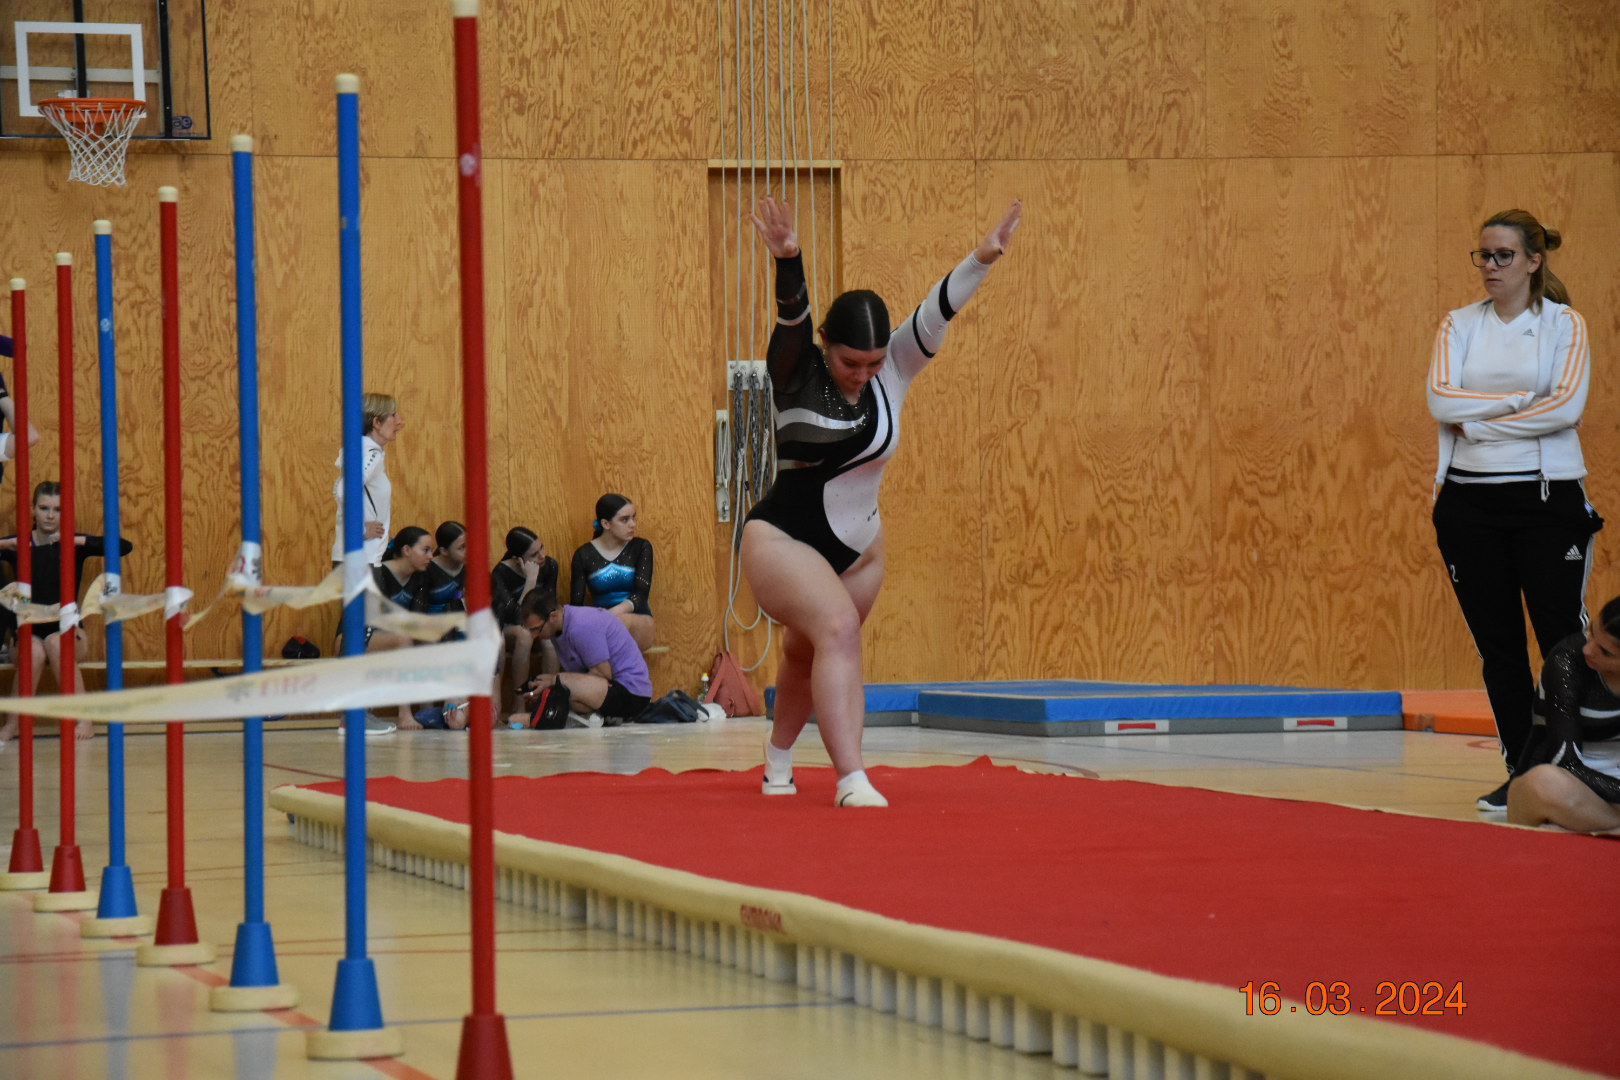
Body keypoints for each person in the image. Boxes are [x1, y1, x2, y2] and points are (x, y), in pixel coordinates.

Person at [744, 194, 1022, 807]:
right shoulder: (795, 371)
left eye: (873, 363)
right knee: (839, 628)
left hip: (860, 549)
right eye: (852, 362)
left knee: (807, 650)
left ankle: (777, 761)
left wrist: (982, 258)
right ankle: (851, 779)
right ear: (826, 344)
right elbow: (792, 319)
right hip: (781, 540)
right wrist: (789, 259)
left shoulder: (894, 366)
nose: (865, 373)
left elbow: (937, 309)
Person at [1427, 209, 1601, 812]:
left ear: (1533, 261)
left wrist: (1480, 421)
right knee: (1498, 650)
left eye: (1504, 256)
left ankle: (1577, 762)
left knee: (1563, 642)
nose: (1491, 267)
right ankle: (1522, 769)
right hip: (1469, 504)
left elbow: (1566, 408)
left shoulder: (1563, 325)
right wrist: (1520, 402)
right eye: (1484, 255)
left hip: (1546, 500)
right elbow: (1439, 400)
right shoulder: (1458, 324)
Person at [0, 482, 132, 743]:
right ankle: (13, 723)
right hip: (26, 631)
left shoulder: (74, 543)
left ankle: (83, 718)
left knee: (55, 643)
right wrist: (9, 543)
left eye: (58, 509)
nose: (50, 515)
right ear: (33, 509)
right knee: (34, 649)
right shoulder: (20, 543)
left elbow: (124, 546)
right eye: (44, 508)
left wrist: (78, 540)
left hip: (68, 631)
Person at [1506, 596, 1620, 834]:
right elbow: (1566, 763)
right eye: (1591, 632)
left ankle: (1594, 830)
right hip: (1570, 790)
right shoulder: (1567, 661)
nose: (1588, 649)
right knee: (1543, 782)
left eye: (1605, 651)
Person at [335, 525, 433, 735]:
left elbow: (417, 617)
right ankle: (404, 714)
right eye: (425, 550)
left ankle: (427, 710)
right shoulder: (380, 572)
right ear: (407, 550)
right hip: (353, 639)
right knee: (403, 640)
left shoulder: (420, 577)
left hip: (387, 635)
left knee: (428, 639)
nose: (430, 556)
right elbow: (375, 620)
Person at [514, 590, 651, 728]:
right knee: (552, 683)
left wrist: (552, 682)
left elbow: (603, 675)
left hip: (631, 693)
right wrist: (546, 683)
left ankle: (589, 718)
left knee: (559, 683)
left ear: (553, 616)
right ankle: (591, 717)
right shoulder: (557, 629)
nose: (533, 636)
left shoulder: (581, 625)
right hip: (612, 688)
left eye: (536, 629)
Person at [569, 493, 655, 651]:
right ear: (605, 524)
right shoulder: (584, 554)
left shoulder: (641, 547)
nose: (633, 524)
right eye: (625, 520)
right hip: (602, 623)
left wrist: (608, 615)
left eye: (633, 518)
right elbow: (576, 604)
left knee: (619, 623)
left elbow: (641, 594)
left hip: (638, 620)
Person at [331, 392, 404, 568]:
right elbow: (344, 489)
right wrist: (360, 530)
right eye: (393, 415)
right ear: (377, 423)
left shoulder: (360, 451)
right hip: (363, 561)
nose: (400, 422)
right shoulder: (370, 454)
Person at [493, 526, 559, 708]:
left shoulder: (550, 566)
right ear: (517, 559)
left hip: (538, 624)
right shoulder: (501, 573)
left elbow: (550, 606)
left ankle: (549, 703)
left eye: (541, 548)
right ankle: (519, 704)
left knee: (549, 639)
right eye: (534, 555)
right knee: (524, 635)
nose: (542, 556)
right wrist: (530, 581)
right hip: (508, 627)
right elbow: (515, 616)